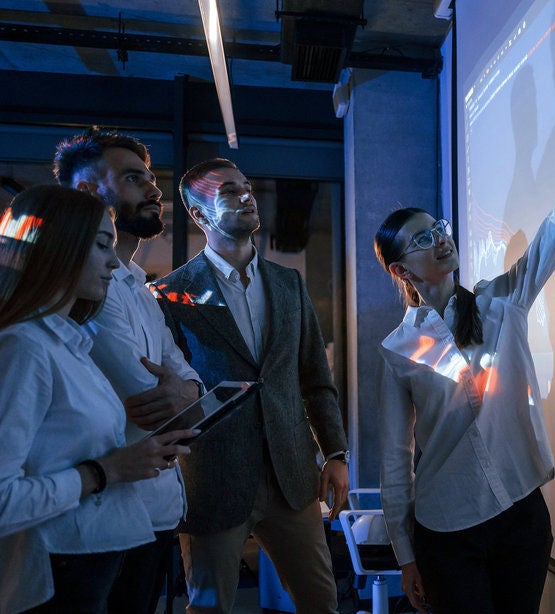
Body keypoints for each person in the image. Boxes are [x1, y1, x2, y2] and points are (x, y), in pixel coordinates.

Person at [374, 82, 555, 612]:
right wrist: (405, 554)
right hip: (447, 527)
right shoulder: (397, 350)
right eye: (422, 239)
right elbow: (393, 459)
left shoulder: (502, 302)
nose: (440, 239)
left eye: (438, 227)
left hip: (521, 513)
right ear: (399, 269)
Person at [150, 159, 350, 613]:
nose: (246, 196)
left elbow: (315, 379)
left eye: (246, 187)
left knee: (322, 602)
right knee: (209, 606)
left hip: (292, 477)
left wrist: (336, 454)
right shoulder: (172, 293)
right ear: (200, 215)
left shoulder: (288, 284)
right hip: (213, 478)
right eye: (228, 192)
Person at [0, 185, 196, 613]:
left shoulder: (66, 343)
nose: (114, 261)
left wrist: (132, 460)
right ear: (59, 247)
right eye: (102, 245)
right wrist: (102, 472)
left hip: (94, 560)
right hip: (57, 573)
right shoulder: (24, 347)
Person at [52, 126, 203, 613]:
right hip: (98, 520)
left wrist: (184, 392)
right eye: (134, 178)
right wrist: (184, 395)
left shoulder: (139, 286)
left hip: (156, 510)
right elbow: (151, 397)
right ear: (87, 192)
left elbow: (188, 383)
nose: (155, 189)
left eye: (151, 179)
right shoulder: (81, 295)